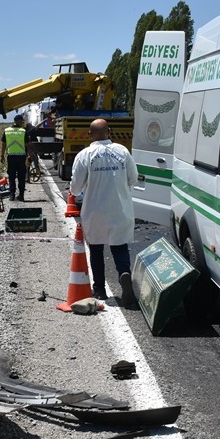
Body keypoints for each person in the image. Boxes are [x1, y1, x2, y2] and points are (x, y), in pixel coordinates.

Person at [69, 118, 138, 306]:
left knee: (97, 249)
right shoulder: (122, 151)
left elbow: (75, 188)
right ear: (109, 131)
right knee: (120, 246)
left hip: (94, 211)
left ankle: (99, 289)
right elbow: (134, 178)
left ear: (90, 134)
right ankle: (124, 274)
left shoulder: (85, 155)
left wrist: (77, 193)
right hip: (119, 209)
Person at [1, 114, 32, 201]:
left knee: (12, 176)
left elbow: (3, 145)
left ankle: (12, 195)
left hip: (11, 157)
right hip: (21, 157)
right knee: (21, 177)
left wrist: (2, 156)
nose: (22, 123)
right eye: (21, 122)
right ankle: (21, 195)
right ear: (17, 121)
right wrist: (30, 156)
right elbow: (28, 146)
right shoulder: (23, 131)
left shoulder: (7, 131)